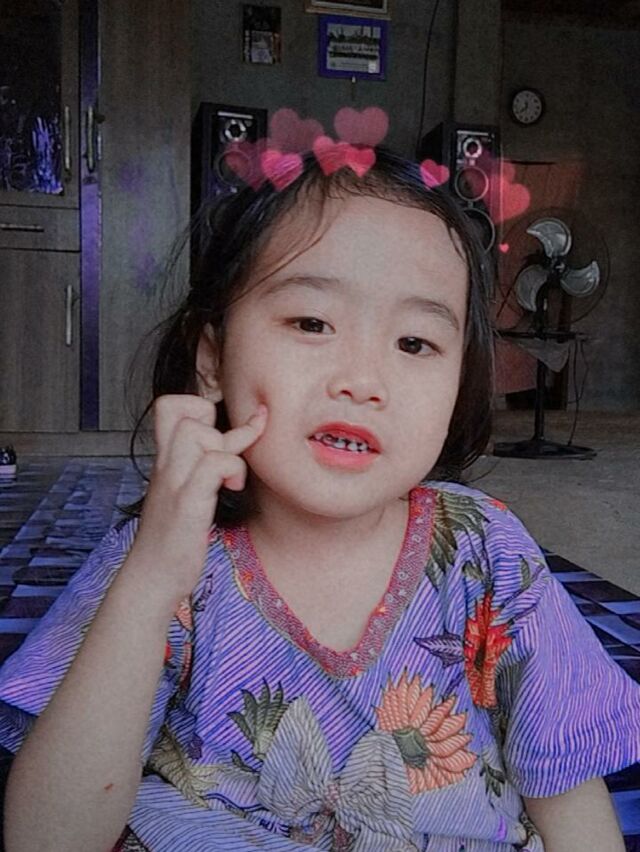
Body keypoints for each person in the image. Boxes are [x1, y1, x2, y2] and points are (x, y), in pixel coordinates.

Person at [0, 147, 638, 852]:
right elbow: (45, 838)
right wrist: (150, 586)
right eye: (312, 323)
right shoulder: (164, 556)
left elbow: (569, 796)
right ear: (212, 361)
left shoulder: (488, 558)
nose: (362, 380)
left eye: (414, 342)